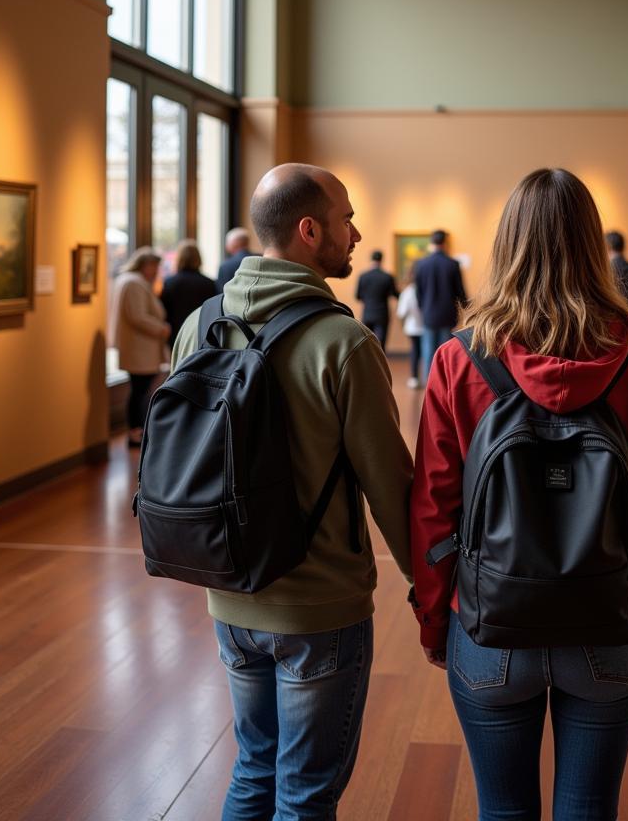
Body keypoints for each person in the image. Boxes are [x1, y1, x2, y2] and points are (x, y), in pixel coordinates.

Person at [411, 169, 628, 820]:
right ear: (595, 248)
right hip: (609, 619)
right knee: (589, 808)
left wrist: (434, 620)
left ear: (506, 247)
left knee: (503, 809)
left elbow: (432, 508)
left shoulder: (458, 359)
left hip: (488, 623)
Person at [171, 163, 414, 821]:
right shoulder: (343, 341)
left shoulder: (199, 325)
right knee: (305, 792)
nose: (357, 233)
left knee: (253, 767)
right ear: (310, 231)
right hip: (319, 609)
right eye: (346, 219)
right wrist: (435, 589)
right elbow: (390, 486)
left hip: (228, 594)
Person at [109, 247, 170, 448]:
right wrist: (161, 329)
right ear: (145, 265)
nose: (156, 272)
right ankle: (135, 432)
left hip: (140, 347)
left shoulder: (130, 281)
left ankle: (138, 430)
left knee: (140, 390)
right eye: (154, 267)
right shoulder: (134, 283)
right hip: (139, 348)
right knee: (139, 391)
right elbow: (138, 316)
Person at [413, 229, 467, 380]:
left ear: (432, 242)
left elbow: (418, 291)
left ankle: (429, 380)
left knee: (428, 349)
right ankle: (445, 381)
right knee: (446, 351)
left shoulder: (421, 264)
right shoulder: (452, 264)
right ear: (445, 242)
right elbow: (460, 292)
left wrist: (422, 308)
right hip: (447, 313)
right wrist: (465, 309)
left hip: (428, 313)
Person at [160, 239, 217, 347]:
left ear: (179, 258)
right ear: (199, 258)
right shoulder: (209, 283)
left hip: (176, 334)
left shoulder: (169, 282)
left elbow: (164, 311)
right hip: (202, 333)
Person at [354, 249, 399, 351]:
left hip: (368, 313)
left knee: (367, 342)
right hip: (382, 314)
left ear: (371, 259)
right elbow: (395, 294)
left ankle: (367, 365)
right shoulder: (387, 277)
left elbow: (358, 296)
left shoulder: (363, 276)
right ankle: (380, 365)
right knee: (381, 343)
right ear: (382, 259)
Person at [396, 262, 424, 389]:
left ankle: (414, 378)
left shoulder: (407, 292)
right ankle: (427, 377)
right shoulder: (426, 289)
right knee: (427, 352)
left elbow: (401, 313)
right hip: (426, 326)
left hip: (412, 327)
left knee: (415, 351)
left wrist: (403, 325)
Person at [217, 227, 253, 292]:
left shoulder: (225, 266)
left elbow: (221, 294)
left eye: (227, 242)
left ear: (233, 243)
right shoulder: (262, 259)